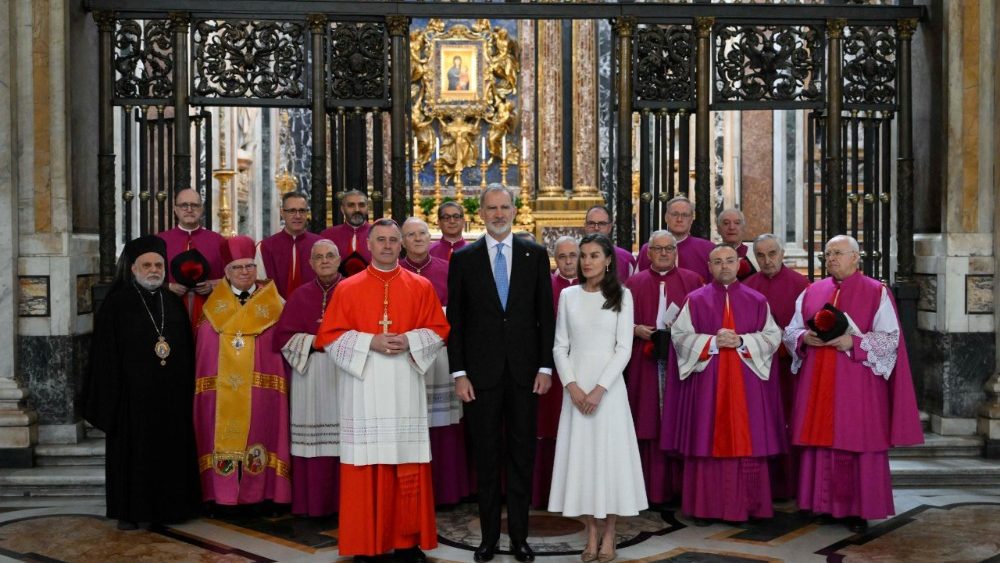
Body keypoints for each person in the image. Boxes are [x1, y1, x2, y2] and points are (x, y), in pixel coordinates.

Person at [315, 218, 449, 563]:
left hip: (405, 386)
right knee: (365, 465)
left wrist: (410, 339)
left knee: (407, 463)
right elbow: (329, 336)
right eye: (381, 240)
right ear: (369, 245)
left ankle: (407, 543)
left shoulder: (421, 287)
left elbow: (438, 329)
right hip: (364, 388)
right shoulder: (348, 288)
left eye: (393, 240)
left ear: (401, 245)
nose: (387, 245)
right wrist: (369, 342)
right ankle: (365, 544)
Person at [784, 235, 923, 533]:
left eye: (838, 253)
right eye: (828, 254)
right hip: (818, 380)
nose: (831, 258)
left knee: (856, 442)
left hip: (856, 382)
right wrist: (803, 338)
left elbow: (890, 339)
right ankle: (821, 506)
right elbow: (791, 329)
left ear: (856, 257)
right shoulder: (811, 291)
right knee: (819, 441)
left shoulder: (876, 291)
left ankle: (857, 509)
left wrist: (854, 343)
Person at [448, 184, 556, 563]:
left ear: (514, 210)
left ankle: (520, 539)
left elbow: (545, 316)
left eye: (504, 207)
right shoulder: (464, 258)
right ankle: (489, 539)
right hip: (480, 377)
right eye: (491, 208)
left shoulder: (535, 255)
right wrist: (459, 373)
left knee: (522, 456)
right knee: (487, 457)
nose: (498, 214)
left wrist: (545, 366)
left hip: (526, 374)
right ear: (480, 213)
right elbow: (456, 322)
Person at [661, 245, 786, 524]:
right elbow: (679, 337)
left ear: (739, 264)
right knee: (706, 438)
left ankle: (750, 505)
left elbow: (772, 336)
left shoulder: (757, 300)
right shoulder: (695, 300)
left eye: (729, 260)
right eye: (718, 262)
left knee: (747, 440)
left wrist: (742, 341)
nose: (724, 266)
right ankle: (705, 509)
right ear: (709, 266)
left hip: (746, 384)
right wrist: (711, 342)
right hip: (708, 383)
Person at [84, 235, 202, 530]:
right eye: (146, 265)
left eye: (158, 265)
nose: (153, 270)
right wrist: (114, 398)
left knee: (170, 453)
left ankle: (171, 508)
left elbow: (186, 351)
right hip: (131, 401)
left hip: (171, 398)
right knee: (133, 456)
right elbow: (104, 357)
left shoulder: (172, 303)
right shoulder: (116, 305)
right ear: (133, 268)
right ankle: (129, 512)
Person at [549, 233, 647, 563]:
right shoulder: (568, 296)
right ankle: (590, 532)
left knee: (609, 459)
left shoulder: (622, 295)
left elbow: (624, 348)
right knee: (583, 460)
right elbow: (560, 346)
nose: (586, 261)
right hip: (576, 391)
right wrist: (572, 386)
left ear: (607, 261)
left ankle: (609, 533)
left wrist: (599, 389)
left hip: (609, 391)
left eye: (594, 255)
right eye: (583, 255)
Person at [194, 235, 291, 508]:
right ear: (226, 272)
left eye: (250, 266)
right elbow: (205, 353)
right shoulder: (212, 310)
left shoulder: (275, 305)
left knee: (261, 433)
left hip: (260, 393)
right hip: (222, 393)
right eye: (237, 267)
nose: (245, 272)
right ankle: (220, 494)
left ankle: (262, 494)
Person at [623, 230, 703, 506]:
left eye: (669, 248)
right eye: (658, 249)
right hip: (643, 361)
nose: (664, 253)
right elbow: (617, 322)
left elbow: (703, 320)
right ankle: (647, 489)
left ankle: (680, 488)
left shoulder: (693, 281)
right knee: (646, 420)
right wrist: (635, 329)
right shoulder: (633, 284)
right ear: (649, 253)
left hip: (680, 361)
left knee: (680, 420)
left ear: (676, 252)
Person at [400, 217, 472, 506]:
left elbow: (461, 309)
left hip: (442, 353)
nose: (418, 239)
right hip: (406, 357)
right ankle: (414, 492)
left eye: (422, 233)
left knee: (445, 426)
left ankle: (447, 490)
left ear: (430, 237)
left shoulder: (448, 269)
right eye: (411, 235)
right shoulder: (396, 271)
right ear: (402, 241)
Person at [273, 239, 344, 517]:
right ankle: (311, 503)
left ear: (338, 259)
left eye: (330, 256)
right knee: (310, 439)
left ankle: (345, 503)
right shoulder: (299, 296)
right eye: (319, 257)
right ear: (311, 263)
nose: (325, 261)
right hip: (310, 373)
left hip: (345, 373)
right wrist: (314, 342)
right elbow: (283, 337)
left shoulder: (353, 290)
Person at [743, 234, 810, 500]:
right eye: (760, 255)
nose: (767, 260)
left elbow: (808, 325)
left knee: (790, 421)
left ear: (782, 254)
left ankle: (792, 485)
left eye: (772, 254)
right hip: (758, 370)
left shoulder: (802, 285)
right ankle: (763, 486)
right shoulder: (748, 286)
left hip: (790, 369)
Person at [534, 236, 579, 509]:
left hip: (582, 368)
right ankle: (545, 493)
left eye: (573, 255)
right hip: (550, 367)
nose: (568, 261)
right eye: (562, 256)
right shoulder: (544, 287)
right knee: (548, 425)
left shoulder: (593, 287)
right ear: (555, 259)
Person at [158, 188, 225, 326]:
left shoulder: (218, 241)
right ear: (175, 209)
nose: (189, 209)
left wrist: (213, 285)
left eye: (194, 205)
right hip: (170, 309)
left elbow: (233, 276)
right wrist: (168, 287)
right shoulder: (160, 241)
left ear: (202, 209)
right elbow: (146, 277)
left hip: (210, 312)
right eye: (184, 205)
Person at [256, 192, 321, 299]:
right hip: (276, 307)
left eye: (302, 211)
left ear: (307, 213)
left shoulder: (321, 245)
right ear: (282, 213)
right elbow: (260, 285)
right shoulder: (264, 247)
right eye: (292, 211)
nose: (298, 216)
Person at [636, 197, 714, 281]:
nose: (679, 219)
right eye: (675, 214)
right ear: (666, 217)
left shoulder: (708, 249)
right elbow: (637, 283)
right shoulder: (648, 249)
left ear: (691, 219)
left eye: (685, 215)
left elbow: (716, 285)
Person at [320, 190, 372, 277]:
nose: (357, 209)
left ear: (367, 208)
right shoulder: (327, 236)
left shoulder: (379, 234)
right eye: (351, 205)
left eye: (361, 205)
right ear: (342, 209)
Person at [584, 205, 636, 282]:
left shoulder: (626, 259)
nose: (596, 228)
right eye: (591, 223)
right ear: (585, 226)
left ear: (609, 227)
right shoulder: (574, 257)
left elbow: (634, 286)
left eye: (601, 223)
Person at [716, 208, 757, 281]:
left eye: (737, 223)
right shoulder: (712, 254)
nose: (732, 227)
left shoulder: (755, 255)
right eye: (726, 223)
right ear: (718, 229)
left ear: (744, 228)